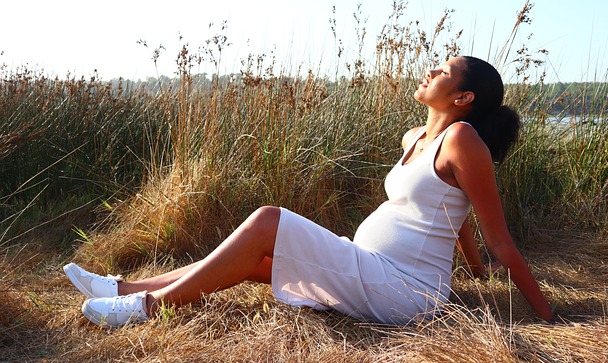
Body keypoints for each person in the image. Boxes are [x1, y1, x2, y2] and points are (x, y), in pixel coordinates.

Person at [64, 56, 554, 329]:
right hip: (373, 270)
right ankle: (123, 289)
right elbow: (452, 214)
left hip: (407, 291)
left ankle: (144, 310)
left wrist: (549, 317)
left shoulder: (463, 140)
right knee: (256, 261)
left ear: (463, 98)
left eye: (444, 71)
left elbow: (500, 240)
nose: (431, 71)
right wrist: (470, 272)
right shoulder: (414, 139)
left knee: (269, 221)